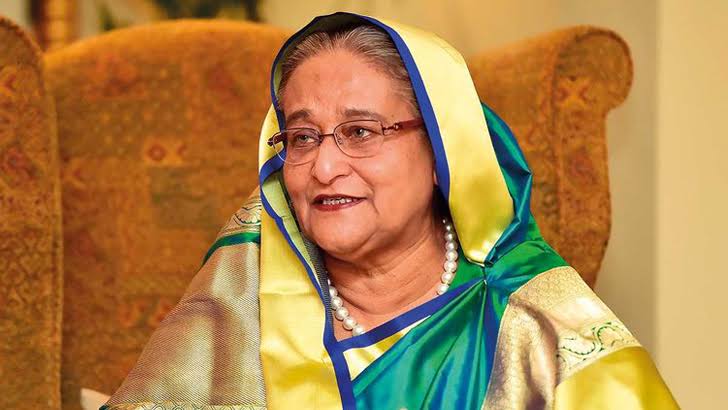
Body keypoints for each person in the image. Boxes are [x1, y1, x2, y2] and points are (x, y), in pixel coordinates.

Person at [103, 11, 677, 410]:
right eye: (302, 138)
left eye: (360, 131)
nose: (324, 167)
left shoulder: (537, 327)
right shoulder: (237, 297)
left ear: (443, 153)